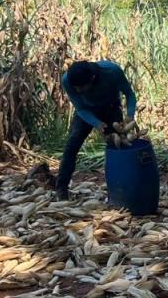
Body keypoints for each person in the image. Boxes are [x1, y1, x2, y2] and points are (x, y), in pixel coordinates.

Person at [57, 60, 137, 200]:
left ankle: (120, 188)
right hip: (86, 112)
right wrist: (97, 123)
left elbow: (129, 94)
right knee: (71, 146)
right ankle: (61, 188)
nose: (78, 91)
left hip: (111, 108)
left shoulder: (112, 71)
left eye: (81, 88)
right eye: (76, 88)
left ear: (92, 78)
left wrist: (130, 115)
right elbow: (80, 108)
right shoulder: (67, 81)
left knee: (117, 147)